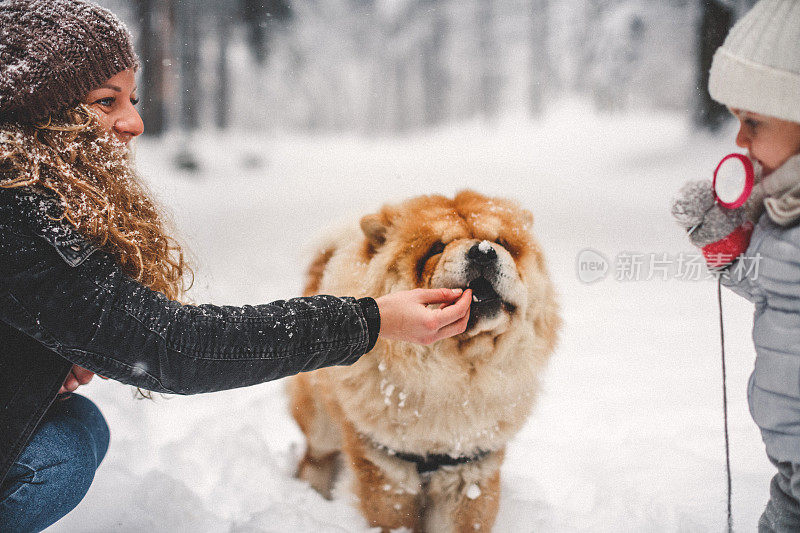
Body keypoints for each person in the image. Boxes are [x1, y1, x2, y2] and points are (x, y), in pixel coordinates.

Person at [0, 1, 473, 530]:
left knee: (73, 434)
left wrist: (32, 357)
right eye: (105, 101)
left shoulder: (24, 197)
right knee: (67, 447)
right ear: (35, 108)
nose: (134, 122)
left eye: (131, 99)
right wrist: (372, 319)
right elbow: (174, 347)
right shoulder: (15, 220)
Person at [672, 0, 800, 530]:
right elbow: (780, 294)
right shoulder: (784, 214)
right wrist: (731, 245)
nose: (740, 140)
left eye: (754, 121)